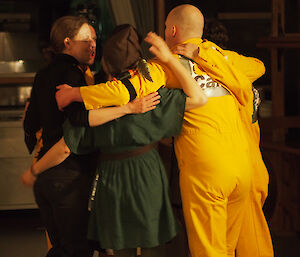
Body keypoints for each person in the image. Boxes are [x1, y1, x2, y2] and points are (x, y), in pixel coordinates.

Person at [54, 5, 266, 257]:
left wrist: (74, 93)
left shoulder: (164, 65)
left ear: (173, 30)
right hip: (244, 167)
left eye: (165, 28)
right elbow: (258, 67)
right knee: (230, 248)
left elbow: (121, 91)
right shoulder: (221, 58)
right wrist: (204, 55)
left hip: (207, 170)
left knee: (210, 250)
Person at [22, 24, 207, 257]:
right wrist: (169, 59)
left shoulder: (97, 97)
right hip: (147, 173)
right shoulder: (153, 95)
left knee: (119, 246)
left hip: (111, 178)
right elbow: (199, 98)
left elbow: (66, 146)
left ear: (106, 63)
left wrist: (34, 170)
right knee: (152, 243)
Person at [175, 19, 274, 257]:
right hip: (249, 166)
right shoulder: (237, 72)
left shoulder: (211, 69)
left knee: (226, 245)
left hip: (225, 165)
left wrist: (204, 55)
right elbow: (259, 66)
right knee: (249, 244)